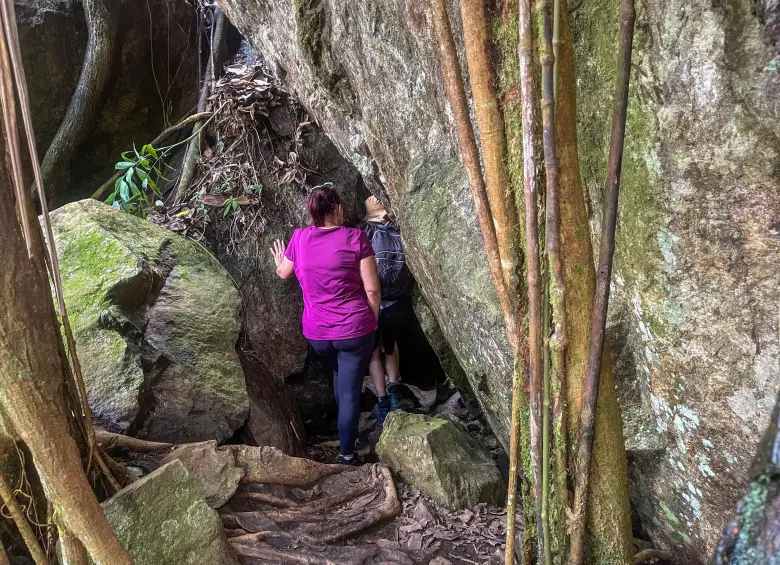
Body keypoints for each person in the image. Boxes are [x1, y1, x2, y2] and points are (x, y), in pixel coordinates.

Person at [271, 185, 380, 466]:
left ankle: (344, 429)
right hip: (354, 329)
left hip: (318, 334)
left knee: (339, 373)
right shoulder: (355, 238)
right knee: (350, 390)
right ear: (337, 208)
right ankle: (347, 454)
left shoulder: (299, 238)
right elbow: (372, 291)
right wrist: (372, 321)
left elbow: (284, 272)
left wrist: (277, 260)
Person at [358, 196, 416, 427]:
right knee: (392, 348)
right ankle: (395, 394)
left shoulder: (361, 231)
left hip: (371, 303)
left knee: (373, 353)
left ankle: (382, 402)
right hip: (397, 302)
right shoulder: (394, 227)